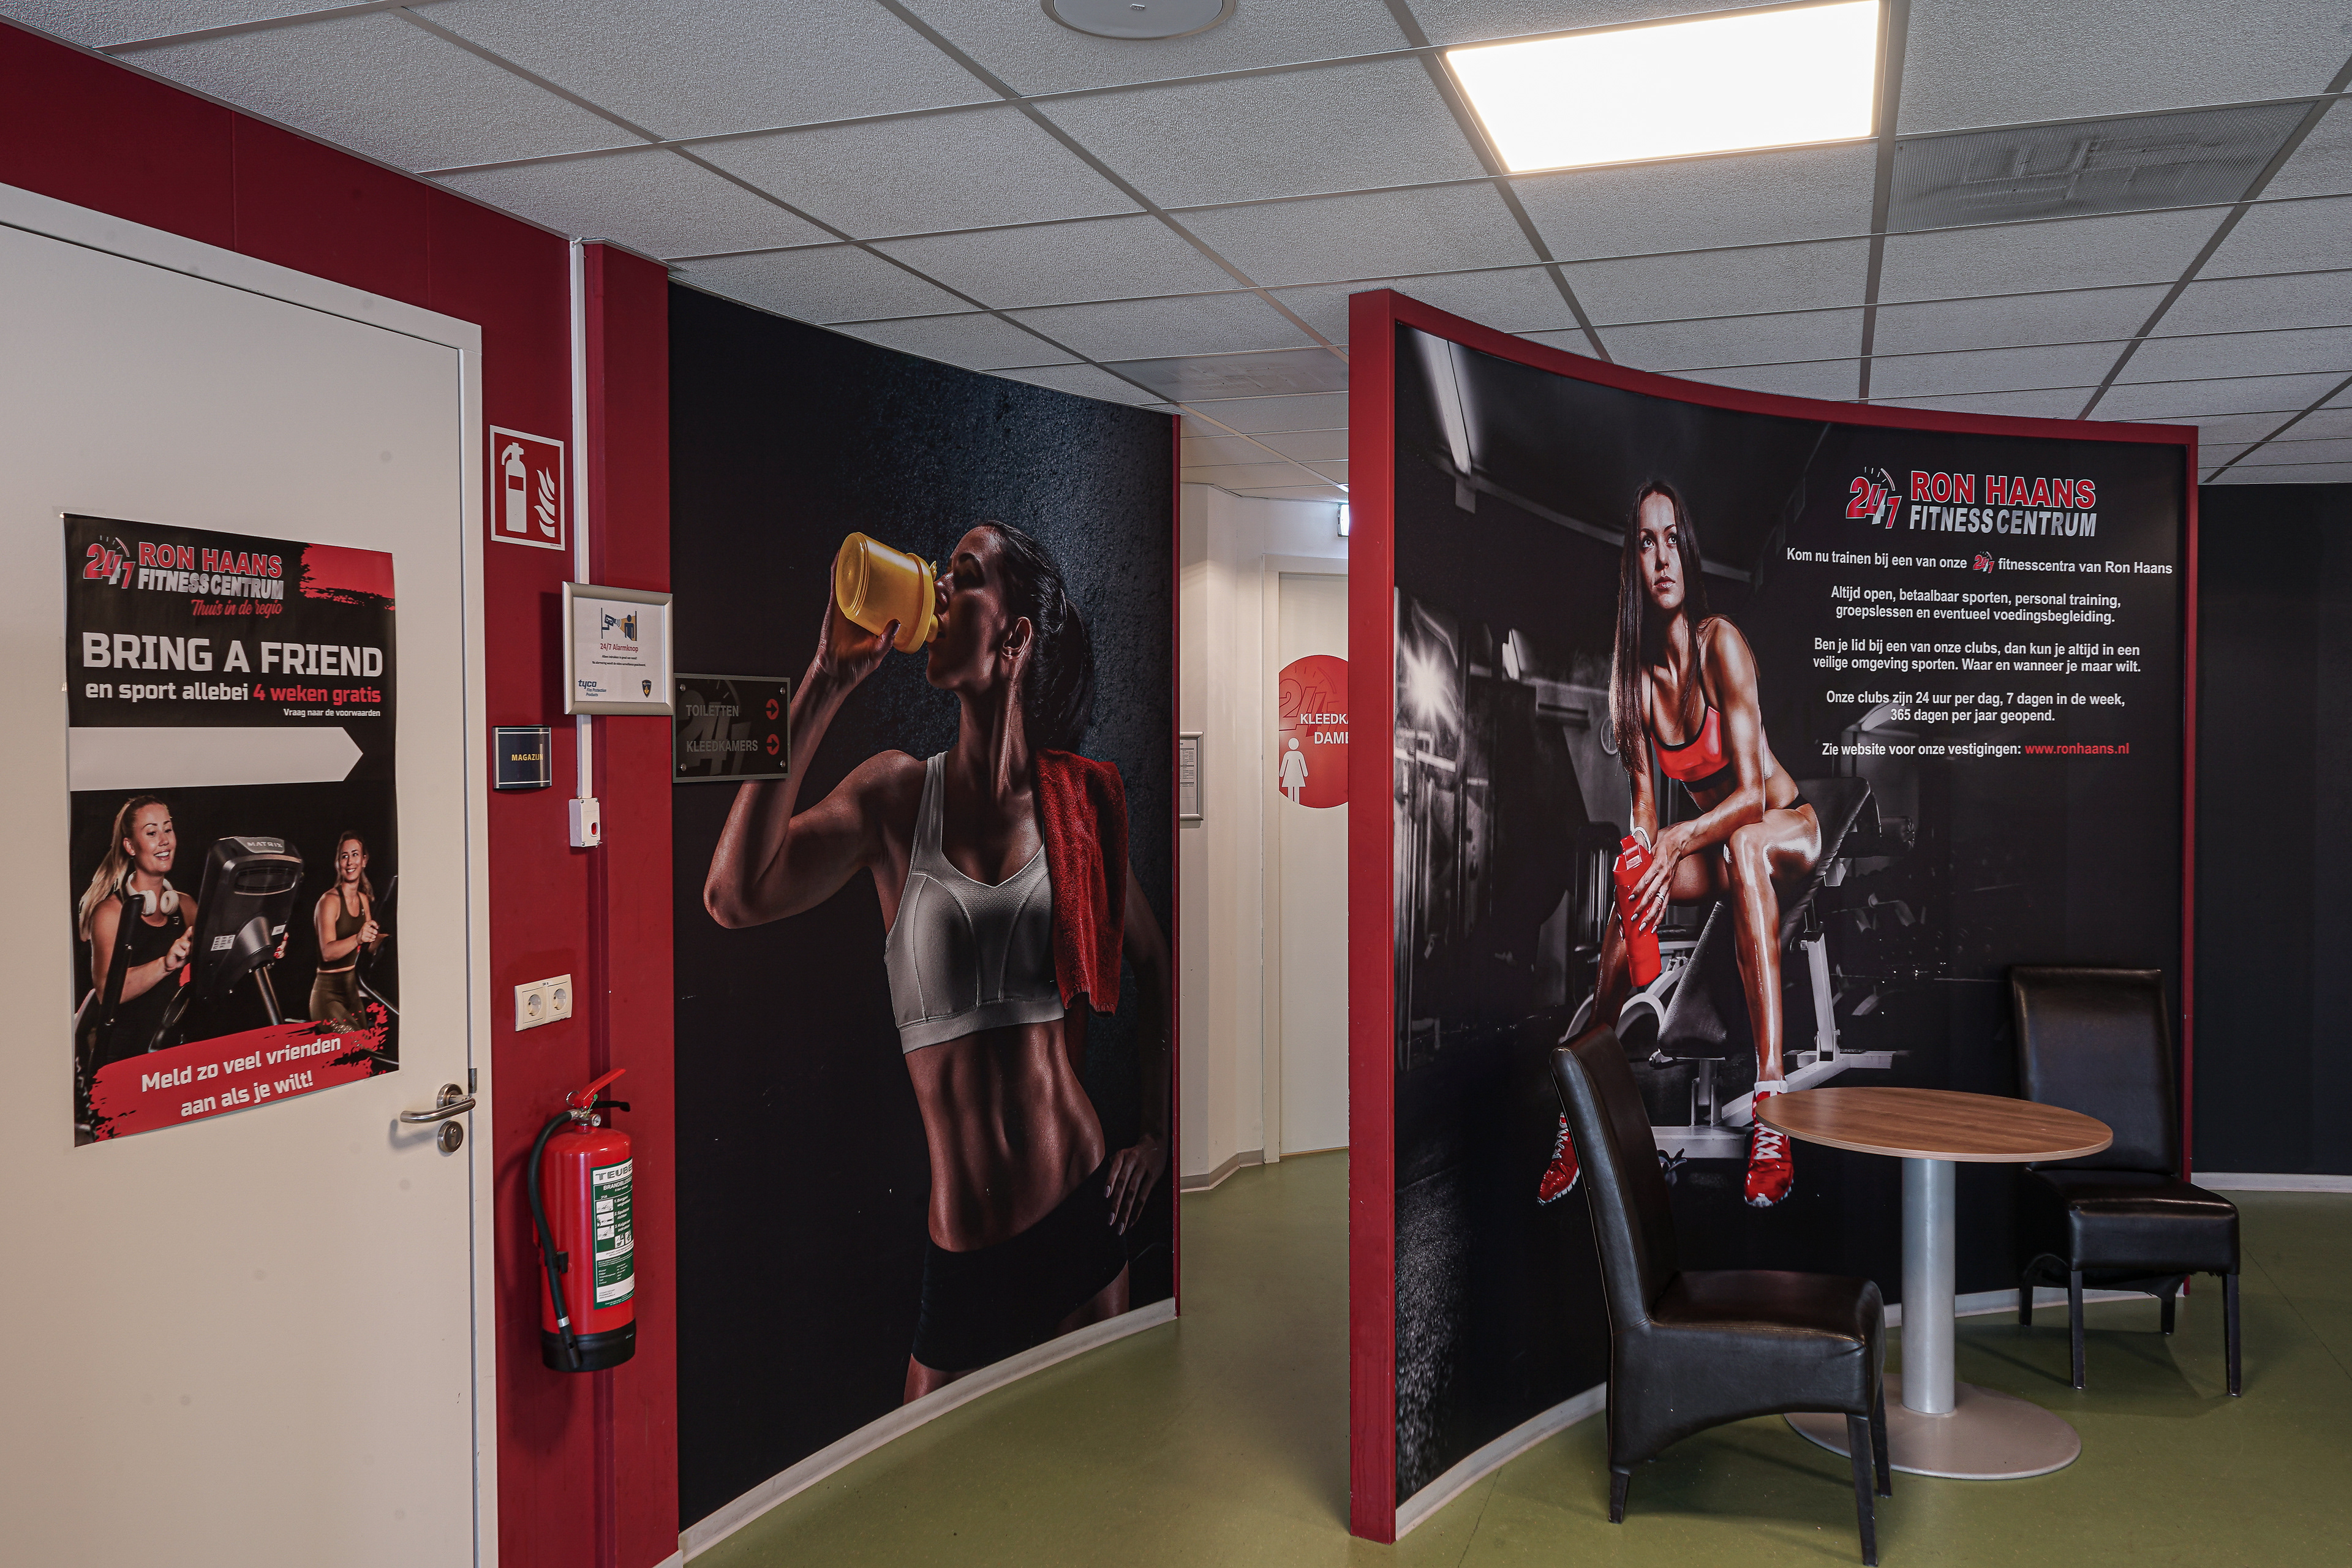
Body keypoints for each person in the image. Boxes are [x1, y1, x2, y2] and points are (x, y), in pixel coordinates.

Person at [703, 521, 1173, 1400]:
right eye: (942, 572)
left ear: (1014, 638)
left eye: (966, 575)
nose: (939, 589)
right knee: (930, 1477)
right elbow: (734, 895)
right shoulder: (894, 797)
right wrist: (824, 681)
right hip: (964, 1253)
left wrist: (1157, 1134)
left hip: (1080, 1216)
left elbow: (1154, 959)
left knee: (1098, 1467)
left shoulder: (1073, 809)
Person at [1545, 481, 1821, 1208]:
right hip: (1724, 850)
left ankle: (1771, 1109)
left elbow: (1754, 796)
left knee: (1746, 844)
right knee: (1629, 895)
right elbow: (1643, 808)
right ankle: (1578, 1112)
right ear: (1633, 562)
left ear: (1687, 553)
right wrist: (1643, 857)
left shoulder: (1720, 644)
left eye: (1672, 539)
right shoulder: (1636, 685)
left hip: (1787, 829)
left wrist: (1675, 839)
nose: (1662, 557)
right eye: (1646, 542)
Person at [77, 795, 197, 1068]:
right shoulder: (110, 913)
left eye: (168, 829)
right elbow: (107, 992)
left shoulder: (186, 906)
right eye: (152, 833)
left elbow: (216, 964)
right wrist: (165, 965)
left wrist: (261, 948)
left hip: (173, 1055)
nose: (164, 840)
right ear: (130, 846)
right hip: (124, 1060)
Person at [309, 830, 383, 1025]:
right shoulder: (329, 901)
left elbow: (369, 946)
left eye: (355, 855)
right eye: (344, 856)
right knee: (356, 1042)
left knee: (369, 1043)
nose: (350, 862)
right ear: (338, 863)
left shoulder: (363, 899)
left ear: (364, 860)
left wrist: (386, 939)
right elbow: (328, 953)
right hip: (328, 996)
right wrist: (359, 937)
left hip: (352, 991)